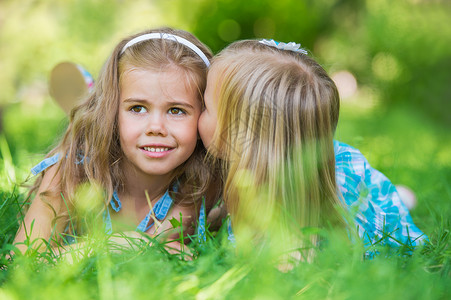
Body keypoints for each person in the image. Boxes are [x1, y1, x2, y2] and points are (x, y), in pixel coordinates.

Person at [198, 39, 426, 258]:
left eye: (205, 106)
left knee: (387, 202)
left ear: (234, 134)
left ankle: (401, 197)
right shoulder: (248, 169)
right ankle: (402, 194)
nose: (198, 111)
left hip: (358, 192)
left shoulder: (290, 221)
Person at [13, 27, 214, 257]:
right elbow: (19, 262)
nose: (156, 128)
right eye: (137, 108)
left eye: (176, 110)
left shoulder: (203, 179)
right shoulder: (70, 173)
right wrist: (118, 243)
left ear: (204, 116)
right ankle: (87, 108)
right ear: (112, 113)